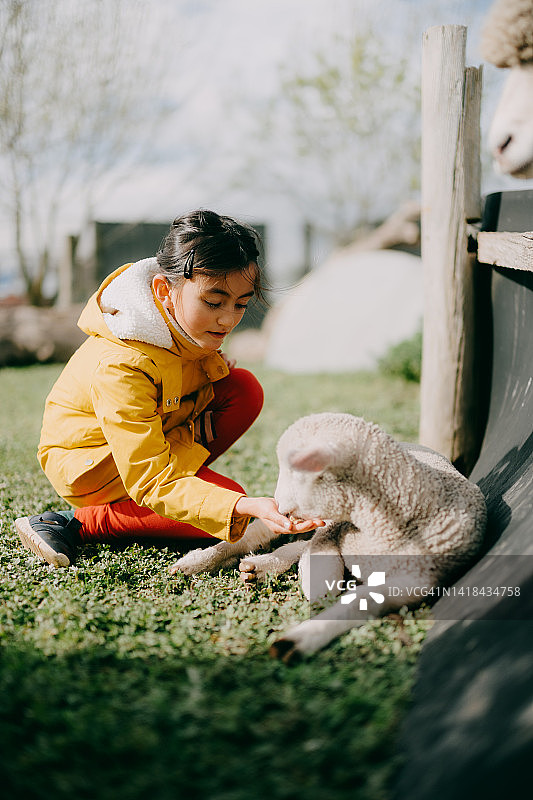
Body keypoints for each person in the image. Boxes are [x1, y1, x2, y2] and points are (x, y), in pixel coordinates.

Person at [15, 209, 322, 569]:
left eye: (241, 304)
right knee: (229, 508)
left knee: (242, 389)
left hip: (156, 436)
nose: (227, 319)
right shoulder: (121, 364)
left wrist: (213, 367)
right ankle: (76, 522)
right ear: (164, 290)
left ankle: (186, 489)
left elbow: (189, 382)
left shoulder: (182, 327)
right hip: (93, 467)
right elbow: (150, 478)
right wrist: (237, 506)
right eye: (213, 301)